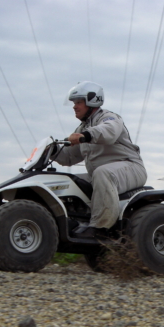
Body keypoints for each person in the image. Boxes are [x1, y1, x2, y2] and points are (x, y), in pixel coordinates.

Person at [54, 81, 147, 238]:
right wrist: (52, 151)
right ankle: (74, 220)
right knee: (68, 181)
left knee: (102, 173)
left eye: (78, 102)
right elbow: (69, 156)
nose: (74, 107)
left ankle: (100, 228)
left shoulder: (109, 118)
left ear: (92, 101)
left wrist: (85, 136)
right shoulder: (83, 128)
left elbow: (108, 132)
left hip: (132, 168)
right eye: (74, 103)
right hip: (102, 174)